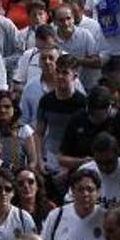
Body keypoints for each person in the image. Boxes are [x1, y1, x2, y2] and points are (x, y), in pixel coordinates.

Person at [59, 87, 120, 174]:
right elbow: (61, 158)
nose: (95, 119)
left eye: (99, 115)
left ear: (109, 109)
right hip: (83, 171)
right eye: (92, 115)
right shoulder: (77, 119)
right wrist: (82, 162)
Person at [36, 55, 88, 186]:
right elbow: (39, 134)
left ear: (75, 76)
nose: (59, 76)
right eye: (57, 71)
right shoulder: (46, 101)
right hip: (51, 159)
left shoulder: (82, 103)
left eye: (65, 73)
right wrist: (40, 161)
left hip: (74, 160)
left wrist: (70, 169)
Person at [0, 90, 37, 170]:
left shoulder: (24, 130)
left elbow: (33, 161)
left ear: (14, 108)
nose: (2, 110)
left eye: (7, 107)